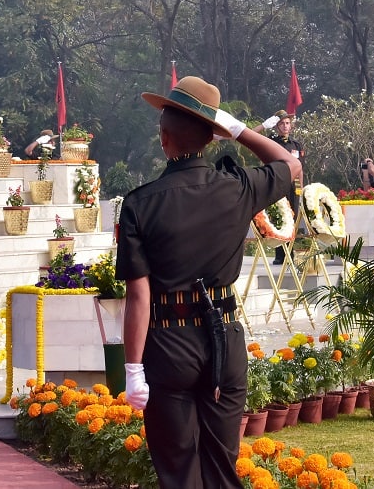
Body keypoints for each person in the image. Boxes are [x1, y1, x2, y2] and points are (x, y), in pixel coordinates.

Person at [115, 77, 301, 489]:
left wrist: (132, 370)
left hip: (168, 342)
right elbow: (291, 165)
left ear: (164, 139)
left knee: (179, 469)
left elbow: (139, 295)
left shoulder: (141, 203)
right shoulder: (238, 188)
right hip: (224, 340)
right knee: (222, 463)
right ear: (213, 139)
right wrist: (237, 128)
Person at [255, 110, 305, 264]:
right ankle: (280, 255)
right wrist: (263, 126)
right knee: (280, 217)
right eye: (282, 123)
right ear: (276, 126)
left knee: (293, 218)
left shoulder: (296, 145)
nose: (285, 126)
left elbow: (300, 168)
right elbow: (252, 135)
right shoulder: (272, 142)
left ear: (291, 126)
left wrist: (301, 189)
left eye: (287, 123)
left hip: (293, 187)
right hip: (277, 183)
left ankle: (290, 254)